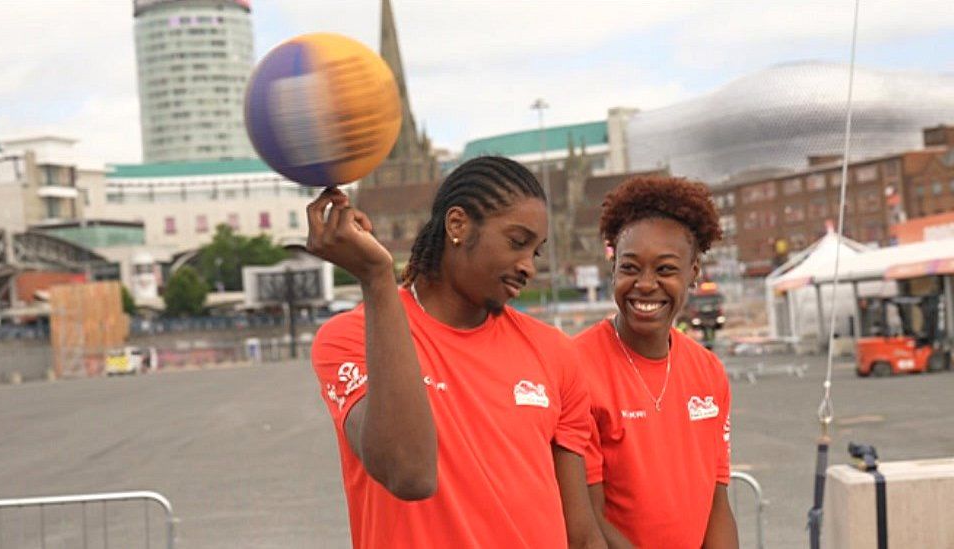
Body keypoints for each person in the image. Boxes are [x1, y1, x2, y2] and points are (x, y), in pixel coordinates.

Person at [308, 156, 605, 548]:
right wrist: (377, 277)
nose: (528, 266)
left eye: (535, 252)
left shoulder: (555, 352)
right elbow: (409, 472)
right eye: (517, 242)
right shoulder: (350, 338)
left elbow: (582, 537)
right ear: (457, 225)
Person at [575, 176, 738, 548]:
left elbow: (717, 504)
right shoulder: (575, 367)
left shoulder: (709, 371)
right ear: (613, 268)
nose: (646, 284)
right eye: (630, 268)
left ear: (693, 272)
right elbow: (587, 520)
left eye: (665, 269)